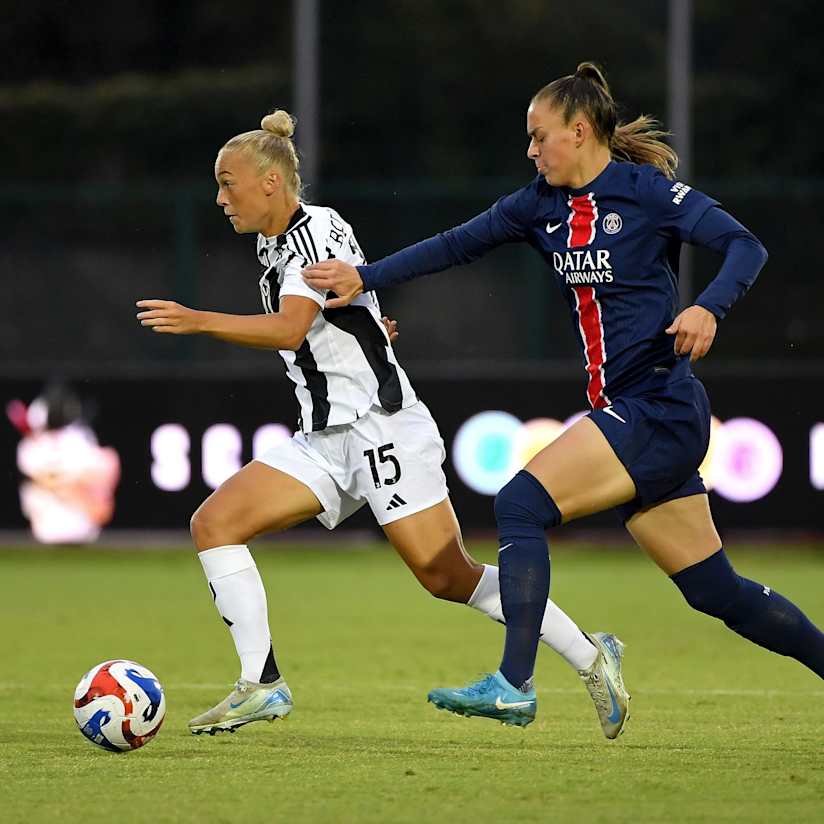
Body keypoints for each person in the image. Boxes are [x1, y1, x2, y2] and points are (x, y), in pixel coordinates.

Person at [303, 62, 824, 727]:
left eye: (538, 135)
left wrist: (710, 309)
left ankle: (514, 681)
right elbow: (455, 245)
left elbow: (744, 247)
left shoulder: (648, 194)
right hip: (640, 414)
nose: (531, 150)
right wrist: (367, 275)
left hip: (657, 404)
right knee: (716, 591)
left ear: (579, 132)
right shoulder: (539, 205)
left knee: (519, 503)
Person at [136, 108, 630, 738]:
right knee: (214, 523)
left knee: (445, 575)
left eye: (228, 182)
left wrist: (198, 319)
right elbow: (336, 315)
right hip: (323, 438)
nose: (219, 197)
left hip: (380, 427)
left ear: (269, 182)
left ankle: (592, 656)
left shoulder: (314, 230)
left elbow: (291, 325)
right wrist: (370, 324)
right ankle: (260, 682)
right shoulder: (272, 243)